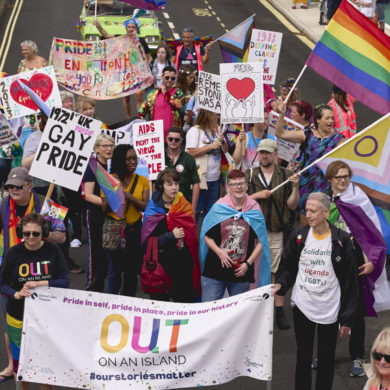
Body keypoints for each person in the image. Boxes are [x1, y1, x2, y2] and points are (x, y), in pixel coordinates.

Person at [276, 192, 358, 390]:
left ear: (326, 212)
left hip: (329, 308)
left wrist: (347, 318)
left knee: (326, 357)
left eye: (313, 211)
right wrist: (281, 284)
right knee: (303, 356)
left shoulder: (342, 240)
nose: (309, 214)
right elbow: (287, 266)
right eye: (307, 210)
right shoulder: (299, 235)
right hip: (303, 305)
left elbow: (350, 281)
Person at [0, 168, 66, 383]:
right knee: (11, 320)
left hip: (42, 271)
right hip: (12, 270)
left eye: (18, 186)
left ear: (29, 185)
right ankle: (13, 363)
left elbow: (63, 237)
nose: (13, 190)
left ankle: (45, 367)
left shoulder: (49, 205)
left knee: (45, 325)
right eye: (9, 186)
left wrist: (42, 233)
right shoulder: (2, 205)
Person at [325, 161, 388, 377]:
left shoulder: (359, 199)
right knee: (329, 312)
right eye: (338, 177)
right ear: (330, 179)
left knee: (357, 312)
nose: (342, 181)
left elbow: (373, 232)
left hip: (357, 263)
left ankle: (357, 357)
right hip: (330, 264)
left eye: (346, 176)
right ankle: (325, 355)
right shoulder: (324, 202)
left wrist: (372, 259)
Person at [245, 139, 300, 330]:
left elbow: (292, 205)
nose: (264, 156)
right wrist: (257, 196)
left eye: (268, 153)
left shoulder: (285, 174)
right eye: (261, 153)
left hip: (277, 230)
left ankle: (278, 311)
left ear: (276, 154)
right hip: (254, 232)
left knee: (276, 271)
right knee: (256, 270)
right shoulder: (250, 174)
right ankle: (259, 309)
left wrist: (294, 187)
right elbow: (237, 200)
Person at [199, 169, 271, 301]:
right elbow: (207, 236)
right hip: (215, 271)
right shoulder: (219, 208)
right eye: (234, 184)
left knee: (238, 316)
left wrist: (247, 264)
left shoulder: (254, 210)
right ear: (228, 188)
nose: (239, 187)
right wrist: (220, 253)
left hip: (241, 272)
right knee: (209, 312)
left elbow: (261, 241)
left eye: (242, 183)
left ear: (247, 186)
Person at [275, 103, 344, 225]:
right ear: (318, 120)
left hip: (325, 188)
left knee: (321, 224)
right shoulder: (307, 134)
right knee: (305, 224)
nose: (331, 121)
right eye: (327, 118)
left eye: (332, 118)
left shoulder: (339, 140)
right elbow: (280, 133)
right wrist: (281, 114)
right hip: (304, 186)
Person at [141, 168, 201, 302]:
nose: (174, 188)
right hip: (161, 267)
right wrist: (170, 236)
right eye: (169, 184)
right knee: (161, 307)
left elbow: (191, 235)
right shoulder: (153, 209)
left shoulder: (182, 203)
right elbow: (146, 243)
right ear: (161, 186)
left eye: (176, 183)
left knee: (185, 304)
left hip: (182, 266)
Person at [103, 145, 149, 296]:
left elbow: (145, 206)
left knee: (131, 269)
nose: (132, 162)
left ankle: (128, 300)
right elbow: (104, 207)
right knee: (113, 269)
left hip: (134, 229)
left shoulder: (142, 180)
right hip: (114, 228)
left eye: (135, 159)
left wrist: (129, 197)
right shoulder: (109, 180)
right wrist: (114, 192)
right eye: (128, 159)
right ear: (120, 160)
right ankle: (113, 299)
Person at [95, 17, 153, 118]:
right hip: (125, 74)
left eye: (133, 27)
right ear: (126, 28)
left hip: (138, 74)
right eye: (129, 27)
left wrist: (147, 69)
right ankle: (129, 118)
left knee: (139, 98)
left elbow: (149, 57)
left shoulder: (142, 41)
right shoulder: (120, 39)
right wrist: (99, 27)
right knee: (126, 98)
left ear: (136, 28)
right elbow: (107, 36)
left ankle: (140, 119)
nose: (131, 29)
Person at [83, 134, 115, 292]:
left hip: (113, 215)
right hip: (96, 214)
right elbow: (88, 194)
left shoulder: (114, 166)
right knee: (96, 251)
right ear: (96, 149)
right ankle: (94, 288)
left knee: (113, 250)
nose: (109, 149)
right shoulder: (92, 166)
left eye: (111, 146)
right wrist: (106, 203)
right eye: (105, 146)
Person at [186, 109, 227, 221]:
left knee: (210, 214)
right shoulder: (194, 131)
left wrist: (222, 142)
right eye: (215, 115)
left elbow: (226, 150)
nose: (217, 117)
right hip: (200, 180)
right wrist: (211, 147)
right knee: (196, 211)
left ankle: (205, 238)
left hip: (214, 179)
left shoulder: (217, 130)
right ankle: (191, 237)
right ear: (208, 115)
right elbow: (191, 152)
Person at [138, 65, 186, 137]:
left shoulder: (178, 92)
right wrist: (140, 116)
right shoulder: (153, 93)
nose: (169, 80)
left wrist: (165, 92)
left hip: (173, 138)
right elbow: (143, 108)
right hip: (155, 137)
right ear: (162, 77)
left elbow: (180, 106)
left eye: (172, 78)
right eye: (167, 77)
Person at [164, 127, 200, 212]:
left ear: (181, 140)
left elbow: (196, 183)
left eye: (176, 140)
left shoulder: (189, 158)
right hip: (163, 206)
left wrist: (193, 208)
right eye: (170, 139)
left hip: (184, 205)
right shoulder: (158, 157)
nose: (173, 141)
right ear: (166, 139)